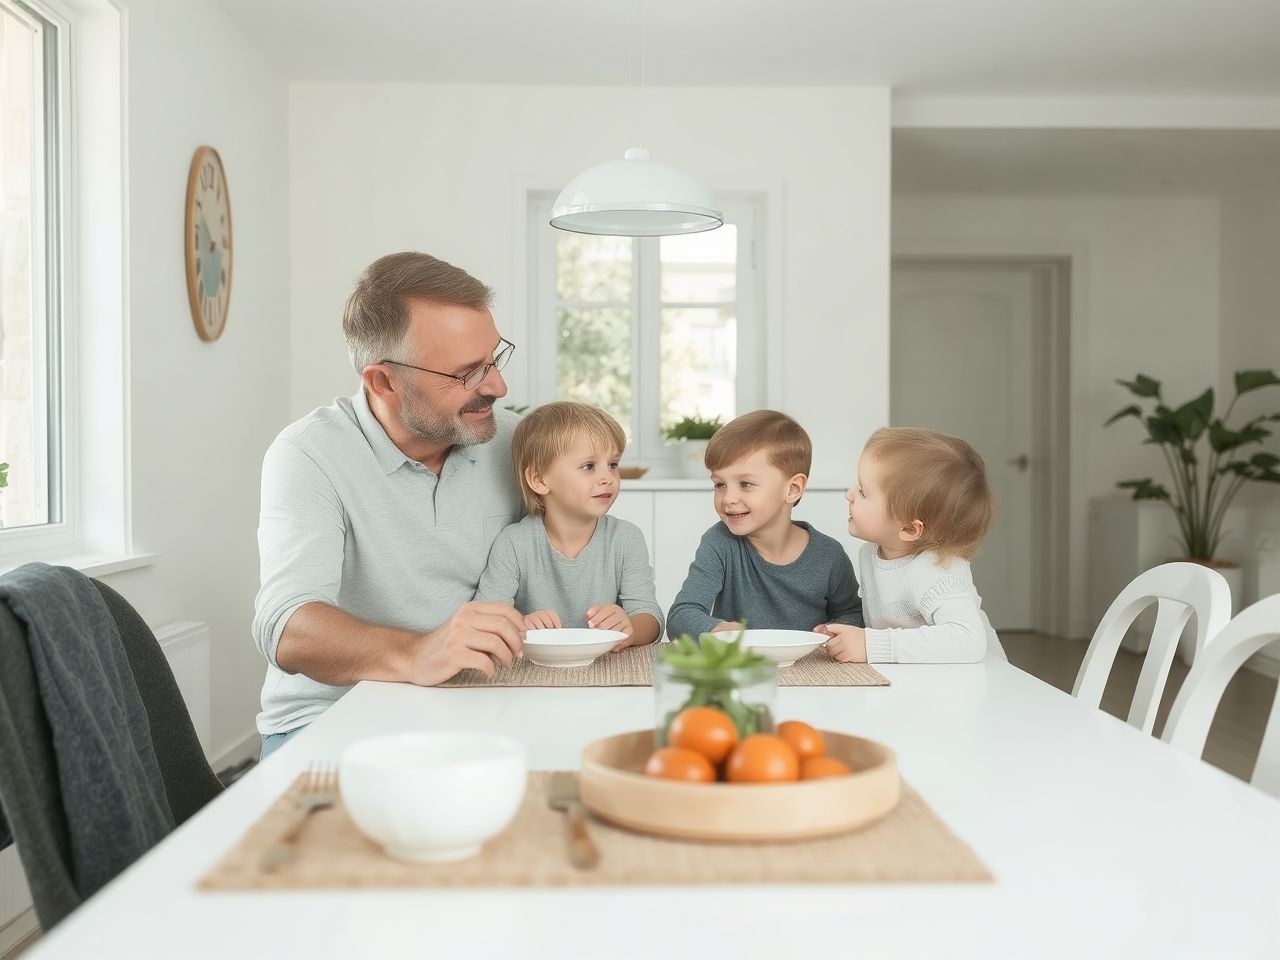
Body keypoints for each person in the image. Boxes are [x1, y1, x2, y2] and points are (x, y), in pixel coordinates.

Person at [252, 252, 527, 758]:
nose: (498, 386)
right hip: (329, 720)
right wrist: (417, 653)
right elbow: (288, 628)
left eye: (494, 358)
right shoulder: (308, 454)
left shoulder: (514, 442)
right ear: (383, 381)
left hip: (480, 708)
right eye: (468, 373)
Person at [475, 402, 662, 650]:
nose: (607, 478)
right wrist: (521, 626)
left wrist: (630, 628)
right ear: (540, 480)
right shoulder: (514, 543)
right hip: (536, 669)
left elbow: (651, 618)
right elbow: (484, 619)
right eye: (589, 466)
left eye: (613, 465)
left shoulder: (626, 539)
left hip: (604, 666)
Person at [666, 410, 863, 640]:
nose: (728, 498)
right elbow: (681, 616)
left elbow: (852, 614)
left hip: (810, 662)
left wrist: (836, 630)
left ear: (792, 489)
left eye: (745, 484)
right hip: (742, 661)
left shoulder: (829, 555)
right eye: (720, 485)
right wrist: (716, 629)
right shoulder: (719, 543)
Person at [818, 427, 1006, 663]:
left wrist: (870, 644)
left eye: (863, 492)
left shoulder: (935, 569)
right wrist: (847, 635)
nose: (849, 494)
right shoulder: (870, 553)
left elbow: (969, 640)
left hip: (979, 679)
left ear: (908, 529)